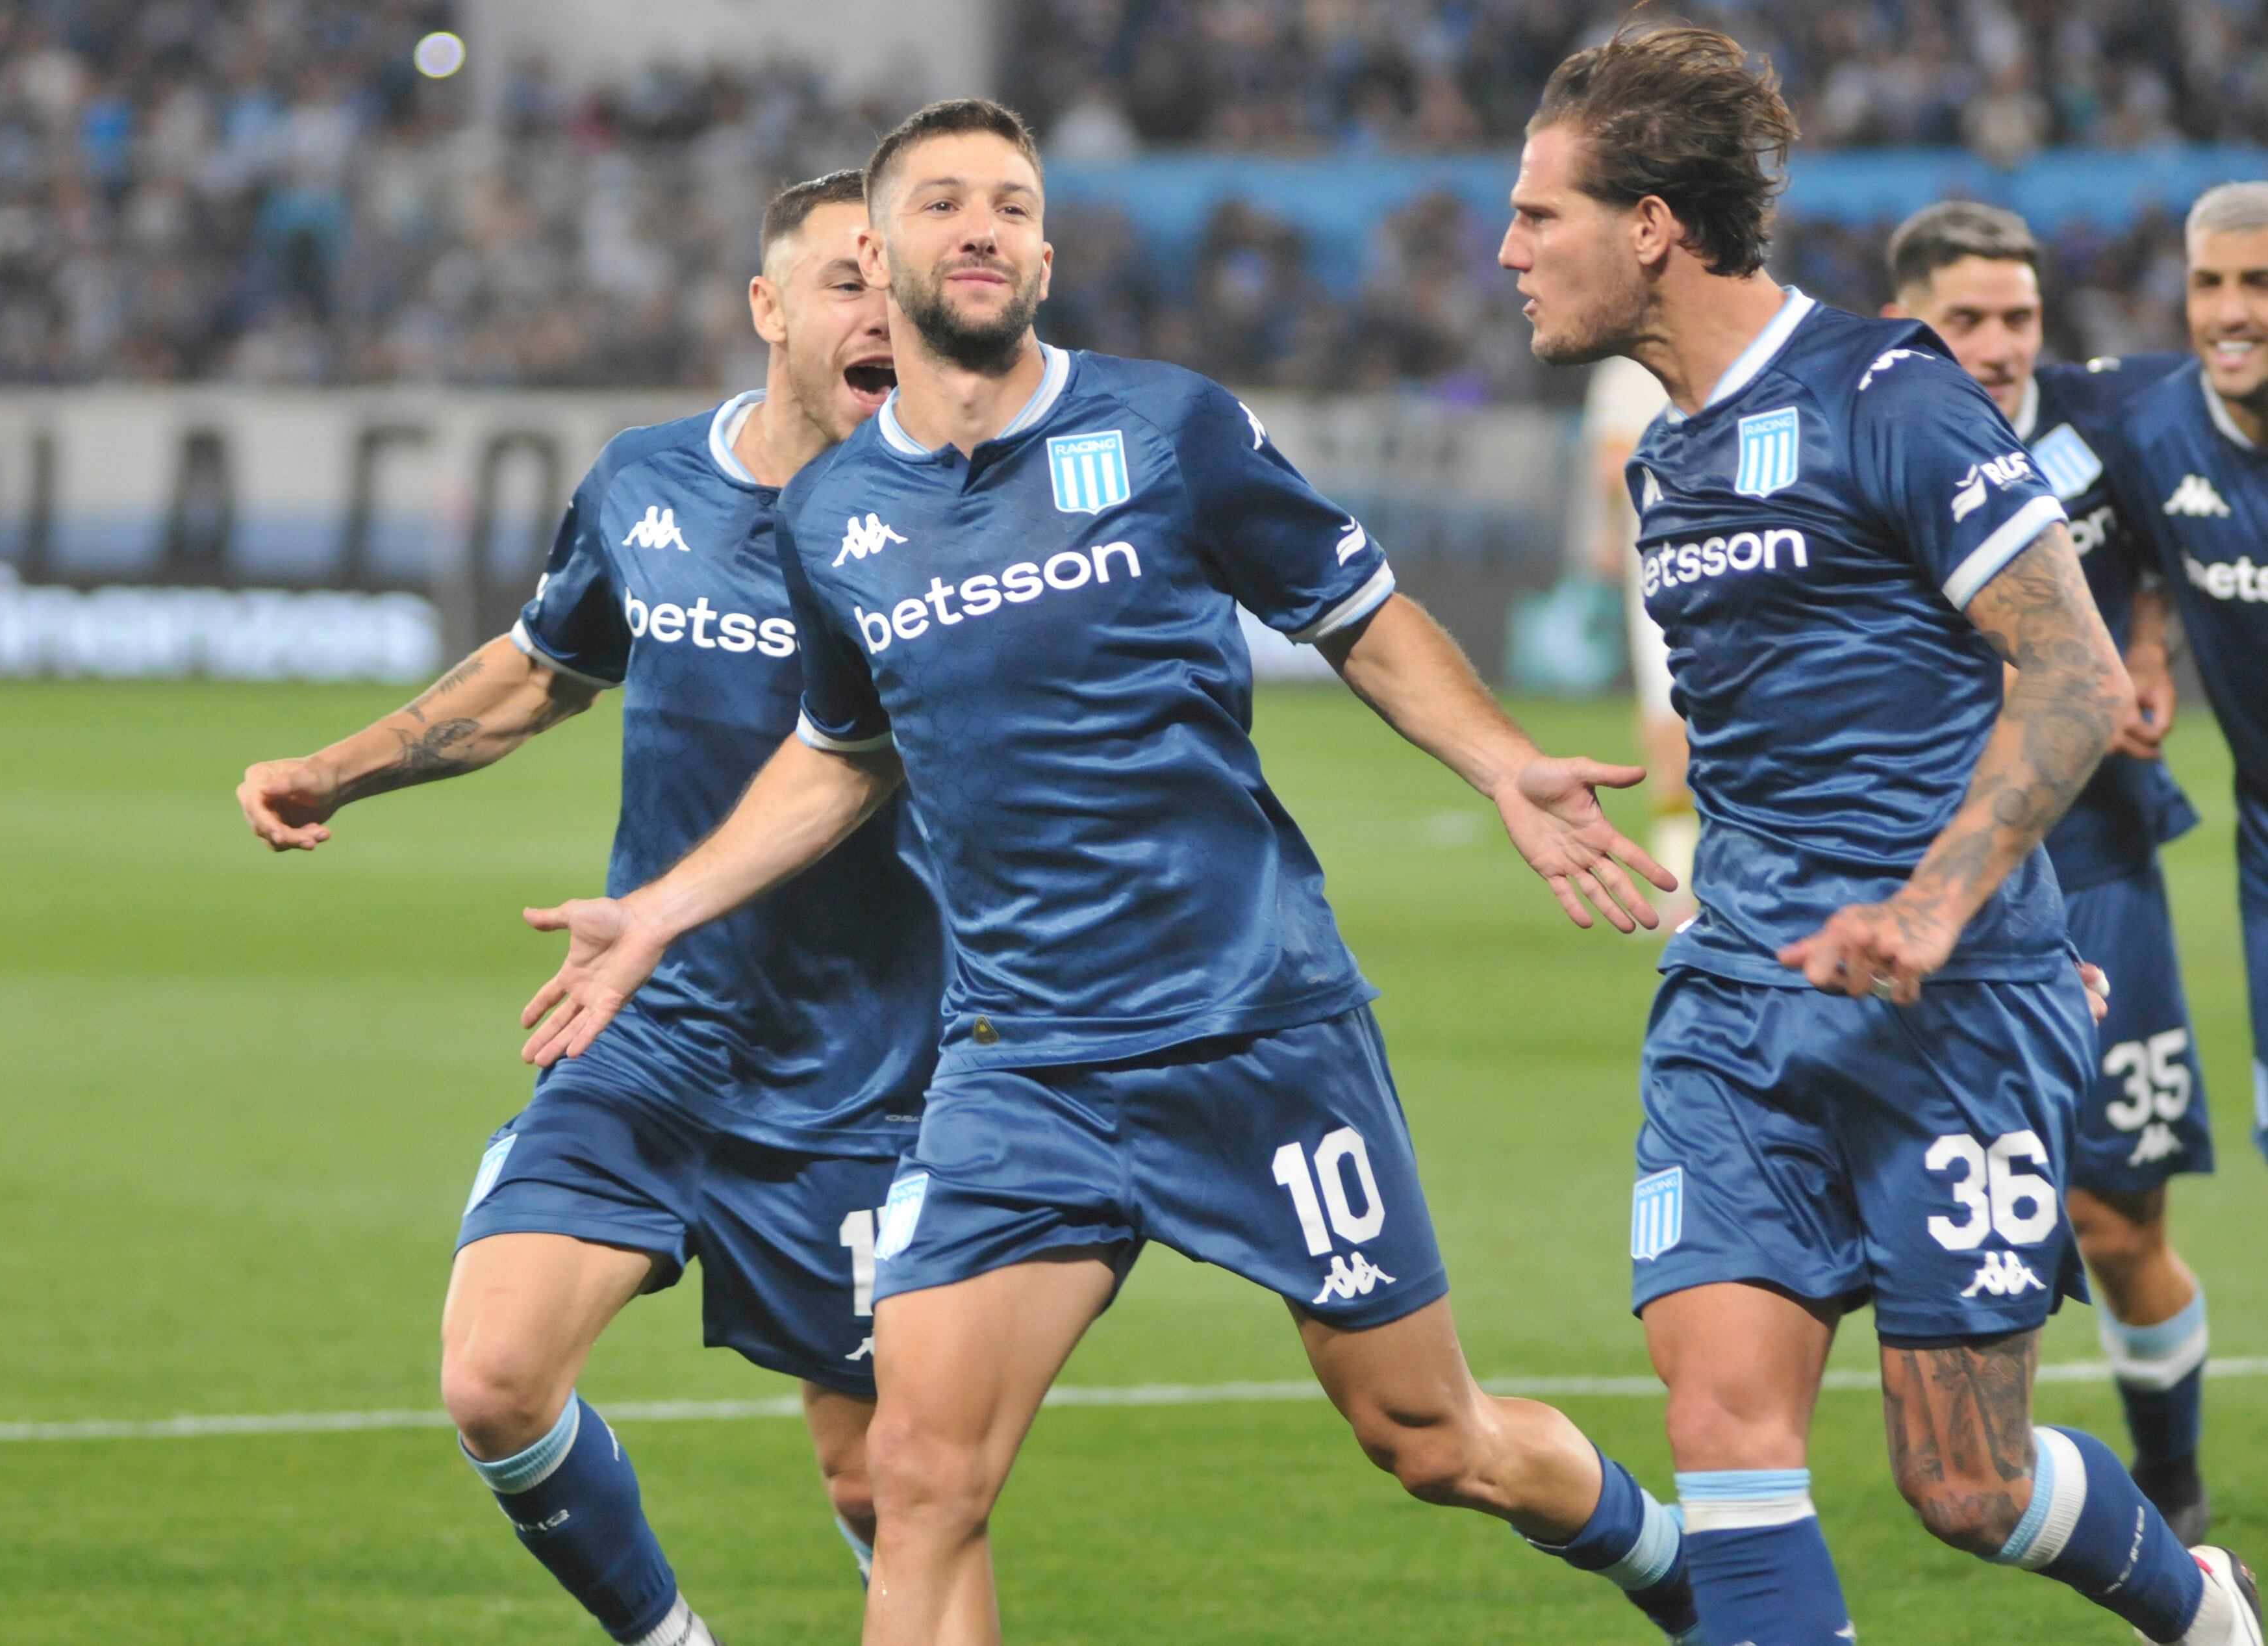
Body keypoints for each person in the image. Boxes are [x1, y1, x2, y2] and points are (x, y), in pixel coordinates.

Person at [514, 97, 1706, 1646]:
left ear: (1048, 249)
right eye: (944, 202)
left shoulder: (1168, 428)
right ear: (879, 254)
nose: (983, 227)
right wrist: (662, 910)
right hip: (1020, 1066)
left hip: (1255, 1030)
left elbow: (1358, 613)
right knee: (921, 1478)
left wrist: (1504, 768)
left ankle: (1684, 1575)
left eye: (1011, 203)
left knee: (1432, 1440)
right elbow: (840, 748)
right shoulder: (836, 516)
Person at [1498, 25, 2260, 1646]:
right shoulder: (1674, 457)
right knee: (1720, 1428)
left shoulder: (1887, 393)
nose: (1506, 253)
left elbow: (2067, 675)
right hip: (1739, 1000)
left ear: (1649, 225)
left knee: (1964, 1486)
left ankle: (2201, 1610)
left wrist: (1947, 913)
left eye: (1538, 216)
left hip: (1947, 1006)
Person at [234, 171, 945, 1646]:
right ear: (768, 308)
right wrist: (335, 770)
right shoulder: (644, 487)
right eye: (847, 283)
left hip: (875, 1070)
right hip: (652, 1023)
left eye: (908, 288)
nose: (885, 313)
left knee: (885, 1485)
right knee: (493, 1379)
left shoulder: (951, 527)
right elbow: (542, 665)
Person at [1882, 199, 2219, 1545]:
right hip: (1936, 883)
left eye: (2016, 317)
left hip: (2094, 859)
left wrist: (2148, 643)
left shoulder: (2105, 421)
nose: (1999, 344)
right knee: (1929, 1199)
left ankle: (2172, 1484)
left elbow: (2174, 542)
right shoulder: (1871, 429)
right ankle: (1962, 1463)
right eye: (1965, 319)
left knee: (2118, 1217)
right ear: (1908, 322)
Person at [2107, 181, 2268, 1176]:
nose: (2231, 311)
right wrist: (2148, 634)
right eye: (2209, 284)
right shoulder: (2152, 427)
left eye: (2259, 283)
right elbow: (2130, 539)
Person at [1578, 354, 1698, 922]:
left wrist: (1605, 531)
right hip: (1749, 554)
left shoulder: (1628, 373)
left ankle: (1679, 886)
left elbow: (1612, 467)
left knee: (1665, 721)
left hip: (1661, 558)